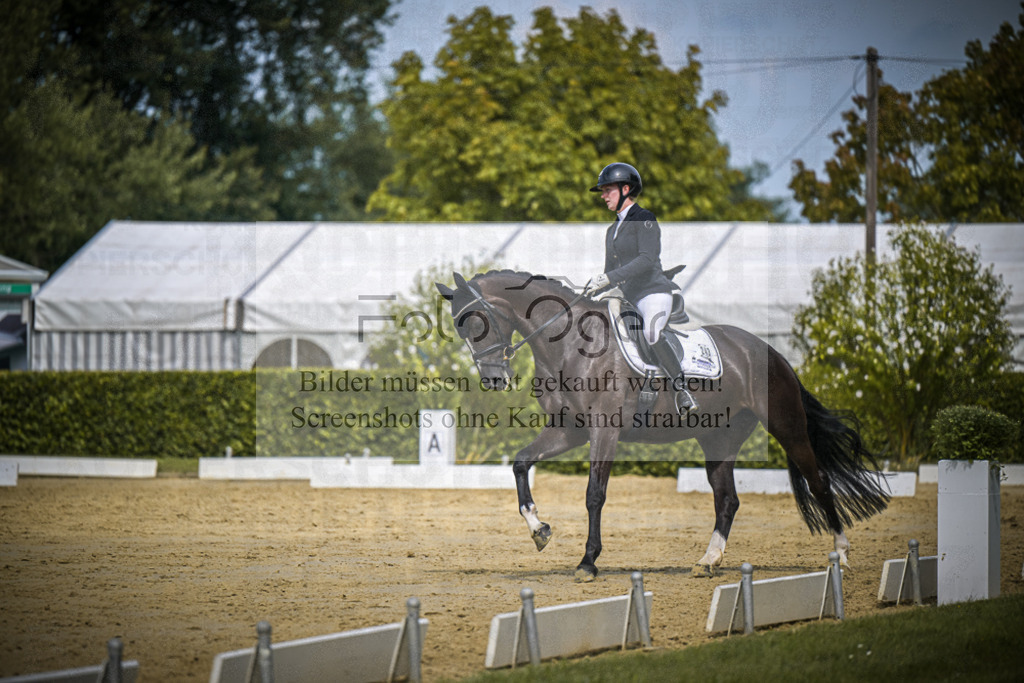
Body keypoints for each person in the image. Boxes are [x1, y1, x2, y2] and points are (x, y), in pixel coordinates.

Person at [583, 162, 697, 412]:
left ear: (626, 189)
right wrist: (594, 287)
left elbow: (646, 260)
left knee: (651, 333)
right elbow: (609, 271)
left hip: (652, 293)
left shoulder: (645, 219)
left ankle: (682, 390)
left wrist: (609, 279)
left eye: (607, 190)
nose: (603, 196)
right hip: (627, 298)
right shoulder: (612, 229)